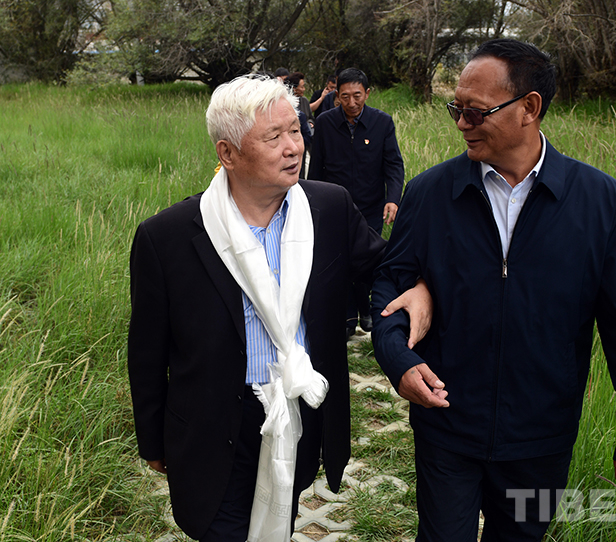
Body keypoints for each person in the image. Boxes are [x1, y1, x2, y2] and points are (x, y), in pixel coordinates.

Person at [371, 38, 616, 541]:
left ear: (529, 107)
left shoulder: (600, 201)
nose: (462, 124)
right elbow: (389, 285)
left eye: (476, 112)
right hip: (446, 424)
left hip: (541, 438)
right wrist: (398, 360)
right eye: (456, 110)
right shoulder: (430, 193)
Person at [128, 75, 428, 542]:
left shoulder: (328, 208)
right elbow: (147, 351)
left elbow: (382, 268)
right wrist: (152, 438)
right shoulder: (167, 236)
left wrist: (420, 287)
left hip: (299, 410)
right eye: (274, 137)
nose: (294, 147)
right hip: (214, 424)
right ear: (228, 153)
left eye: (296, 130)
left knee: (281, 516)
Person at [309, 67, 405, 336]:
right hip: (335, 205)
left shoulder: (382, 122)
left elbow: (393, 165)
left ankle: (368, 309)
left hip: (370, 205)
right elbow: (316, 167)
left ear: (367, 93)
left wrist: (392, 199)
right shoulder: (326, 123)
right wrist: (311, 202)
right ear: (336, 95)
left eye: (357, 95)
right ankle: (349, 316)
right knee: (339, 259)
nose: (351, 102)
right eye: (345, 96)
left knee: (366, 258)